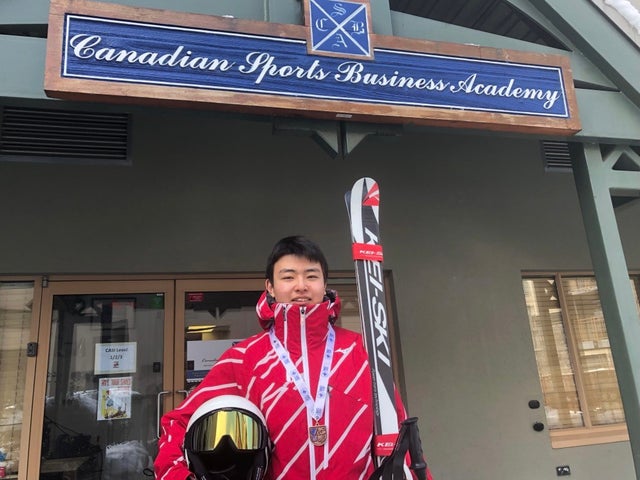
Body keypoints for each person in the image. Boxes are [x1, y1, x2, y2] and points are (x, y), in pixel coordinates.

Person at [155, 235, 432, 480]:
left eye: (311, 276)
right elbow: (178, 424)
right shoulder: (244, 359)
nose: (301, 286)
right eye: (288, 277)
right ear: (270, 286)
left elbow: (399, 437)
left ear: (324, 284)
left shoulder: (362, 352)